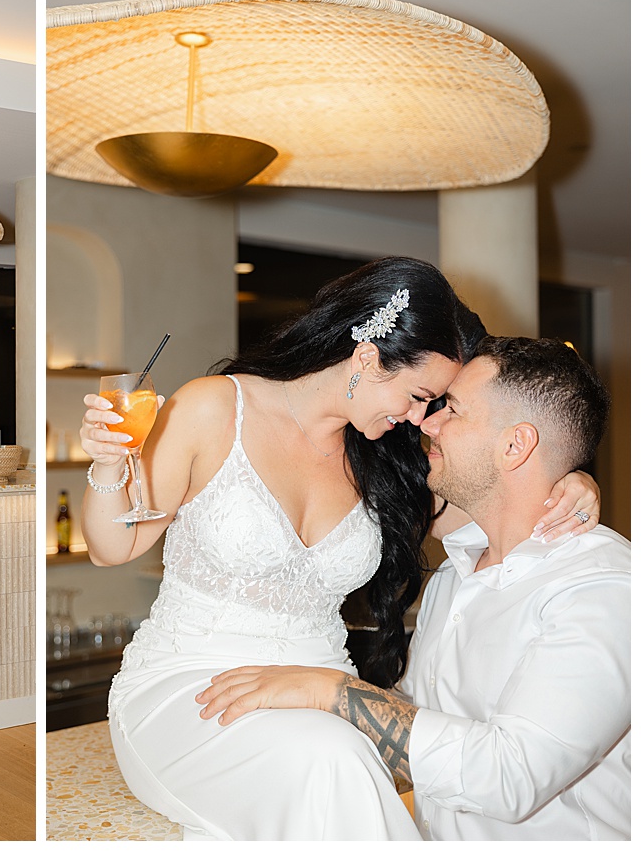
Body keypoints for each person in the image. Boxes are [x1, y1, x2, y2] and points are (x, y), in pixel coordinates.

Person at [77, 258, 601, 840]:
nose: (420, 417)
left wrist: (569, 481)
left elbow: (498, 498)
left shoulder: (388, 455)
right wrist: (107, 465)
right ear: (370, 357)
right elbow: (111, 546)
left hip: (322, 691)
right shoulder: (211, 407)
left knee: (336, 755)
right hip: (193, 686)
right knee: (329, 760)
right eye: (418, 394)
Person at [196, 336, 628, 840]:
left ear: (516, 445)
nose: (428, 422)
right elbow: (409, 716)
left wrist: (332, 692)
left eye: (455, 410)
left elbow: (510, 779)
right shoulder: (455, 576)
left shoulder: (602, 590)